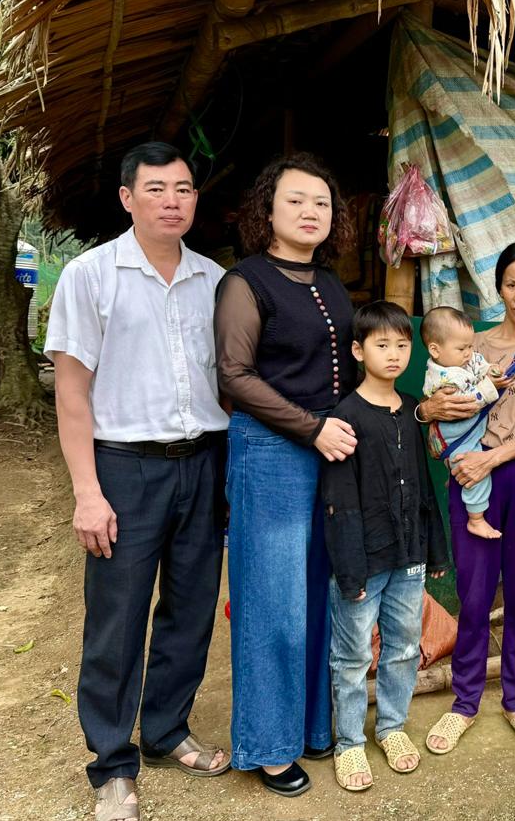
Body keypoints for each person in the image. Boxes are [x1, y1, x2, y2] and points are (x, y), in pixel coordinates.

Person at [46, 141, 231, 821]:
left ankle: (166, 729)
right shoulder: (91, 275)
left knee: (190, 606)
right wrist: (87, 491)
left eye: (183, 188)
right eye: (156, 189)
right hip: (124, 466)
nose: (172, 200)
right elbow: (72, 393)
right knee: (116, 616)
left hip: (202, 460)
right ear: (128, 197)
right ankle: (112, 764)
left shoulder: (215, 279)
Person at [215, 152, 358, 797]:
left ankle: (311, 728)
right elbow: (234, 378)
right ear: (267, 210)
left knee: (316, 592)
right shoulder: (245, 281)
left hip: (328, 449)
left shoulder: (329, 282)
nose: (310, 212)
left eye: (322, 203)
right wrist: (312, 428)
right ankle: (270, 746)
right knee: (272, 600)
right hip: (270, 451)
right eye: (296, 200)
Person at [418, 242, 515, 756]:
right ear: (497, 287)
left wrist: (490, 460)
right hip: (468, 481)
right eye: (511, 284)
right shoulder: (467, 344)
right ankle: (465, 701)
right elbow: (435, 406)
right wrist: (424, 410)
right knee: (474, 589)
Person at [319, 301, 450, 791]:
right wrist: (349, 569)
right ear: (358, 350)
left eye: (401, 344)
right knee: (352, 657)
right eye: (381, 345)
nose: (393, 354)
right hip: (363, 560)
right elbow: (339, 501)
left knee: (403, 648)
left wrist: (434, 549)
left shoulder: (413, 408)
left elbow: (422, 484)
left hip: (408, 555)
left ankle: (392, 727)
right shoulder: (346, 417)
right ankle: (350, 742)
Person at [421, 305, 506, 540]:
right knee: (474, 470)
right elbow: (466, 402)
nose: (468, 352)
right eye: (462, 348)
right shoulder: (443, 377)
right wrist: (490, 386)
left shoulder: (460, 359)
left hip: (468, 428)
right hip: (455, 429)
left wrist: (490, 369)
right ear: (435, 350)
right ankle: (476, 519)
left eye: (470, 345)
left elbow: (478, 362)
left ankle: (453, 472)